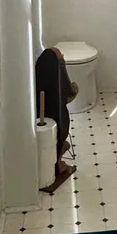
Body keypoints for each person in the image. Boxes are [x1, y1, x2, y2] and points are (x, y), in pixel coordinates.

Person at [34, 46, 79, 194]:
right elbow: (70, 93)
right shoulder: (58, 82)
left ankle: (55, 160)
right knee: (58, 133)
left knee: (52, 137)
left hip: (45, 112)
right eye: (61, 58)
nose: (63, 57)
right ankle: (57, 164)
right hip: (56, 115)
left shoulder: (39, 76)